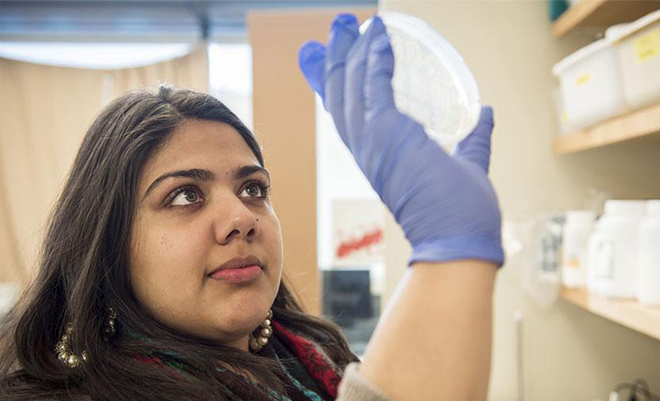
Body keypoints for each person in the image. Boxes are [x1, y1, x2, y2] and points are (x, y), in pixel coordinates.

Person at [0, 13, 503, 401]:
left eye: (253, 189)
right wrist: (450, 249)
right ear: (106, 241)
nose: (241, 218)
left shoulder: (313, 355)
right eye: (184, 195)